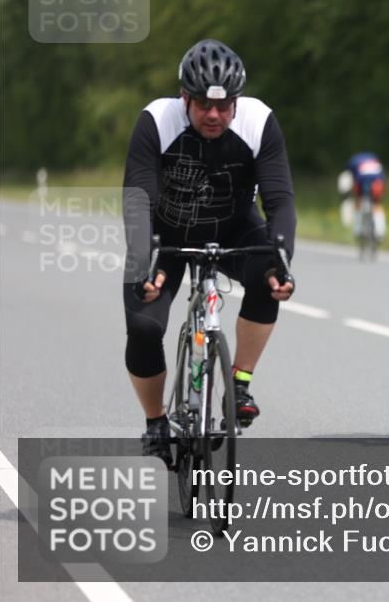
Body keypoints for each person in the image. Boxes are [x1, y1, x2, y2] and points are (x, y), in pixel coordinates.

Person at [123, 38, 297, 466]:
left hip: (234, 227)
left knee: (267, 278)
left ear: (237, 101)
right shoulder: (156, 121)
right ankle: (155, 421)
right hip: (165, 236)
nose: (215, 115)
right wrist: (144, 261)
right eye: (203, 105)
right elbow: (138, 198)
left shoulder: (258, 121)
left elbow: (280, 201)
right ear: (185, 98)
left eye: (224, 105)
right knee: (144, 328)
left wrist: (282, 260)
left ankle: (239, 384)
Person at [343, 151, 386, 241]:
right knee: (377, 204)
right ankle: (380, 231)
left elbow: (351, 178)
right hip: (377, 179)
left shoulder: (353, 161)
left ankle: (358, 230)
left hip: (361, 179)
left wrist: (351, 193)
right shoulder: (374, 157)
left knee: (358, 200)